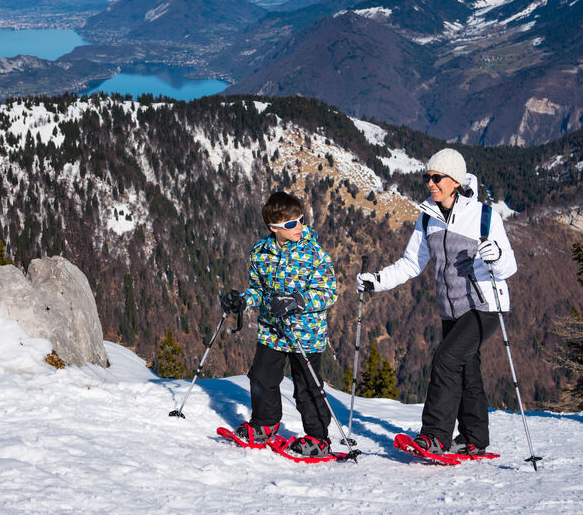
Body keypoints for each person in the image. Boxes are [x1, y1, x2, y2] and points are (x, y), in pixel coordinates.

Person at [356, 148, 517, 456]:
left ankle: (435, 436)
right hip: (451, 309)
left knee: (445, 359)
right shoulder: (428, 218)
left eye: (436, 177)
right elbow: (411, 263)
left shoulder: (483, 215)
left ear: (454, 180)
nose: (430, 183)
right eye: (427, 177)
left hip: (485, 306)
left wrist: (495, 257)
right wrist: (378, 281)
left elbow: (509, 266)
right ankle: (474, 438)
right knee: (466, 369)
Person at [221, 191, 338, 458]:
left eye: (300, 220)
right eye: (290, 224)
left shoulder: (314, 254)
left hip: (305, 333)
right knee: (261, 378)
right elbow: (258, 290)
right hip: (273, 331)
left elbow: (329, 293)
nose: (298, 227)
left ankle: (318, 439)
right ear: (273, 228)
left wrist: (297, 300)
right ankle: (265, 424)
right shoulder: (260, 254)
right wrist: (242, 299)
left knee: (307, 387)